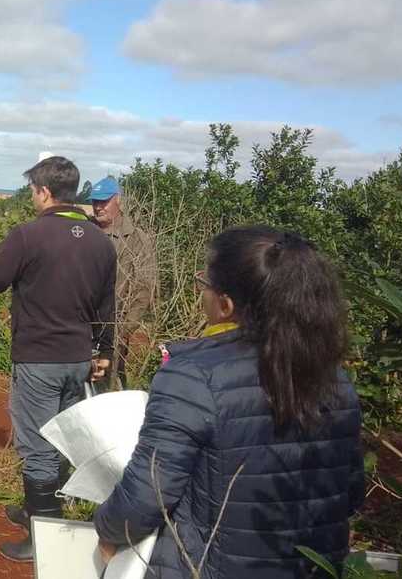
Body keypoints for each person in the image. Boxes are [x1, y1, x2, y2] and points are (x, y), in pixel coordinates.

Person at [94, 226, 363, 578]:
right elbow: (350, 492)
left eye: (204, 283)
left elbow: (147, 495)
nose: (200, 293)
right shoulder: (333, 378)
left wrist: (108, 530)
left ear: (225, 305)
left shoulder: (192, 377)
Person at [0, 156, 115, 562]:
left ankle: (44, 540)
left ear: (44, 192)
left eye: (35, 191)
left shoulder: (29, 235)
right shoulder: (99, 242)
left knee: (37, 447)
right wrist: (104, 351)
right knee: (61, 438)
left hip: (38, 360)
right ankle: (38, 509)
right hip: (78, 359)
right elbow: (108, 306)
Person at [89, 176, 156, 389]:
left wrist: (123, 330)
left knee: (109, 385)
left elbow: (144, 289)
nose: (98, 207)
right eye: (95, 202)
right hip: (80, 326)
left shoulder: (136, 239)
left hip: (114, 326)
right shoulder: (83, 231)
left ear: (118, 200)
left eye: (104, 201)